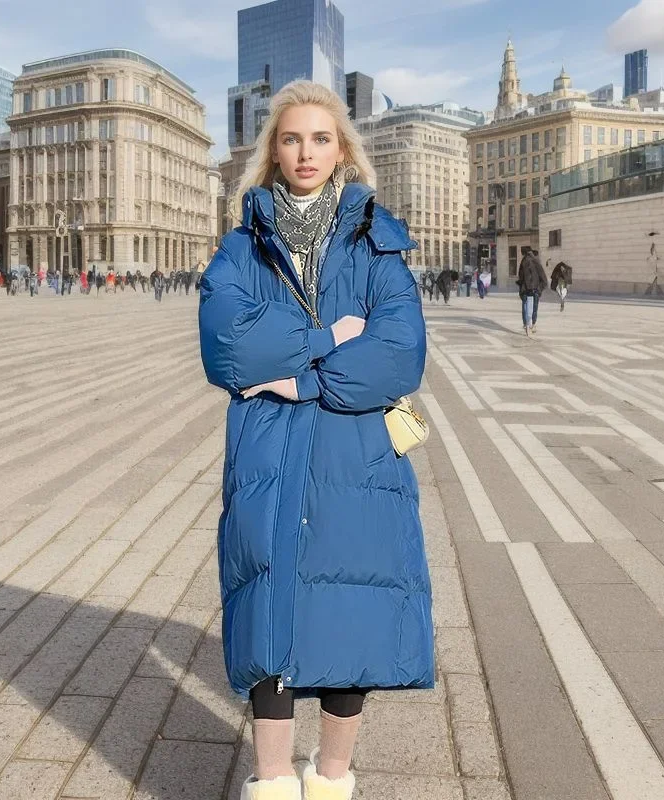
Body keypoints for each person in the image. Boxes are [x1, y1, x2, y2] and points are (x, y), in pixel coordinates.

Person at [199, 80, 433, 800]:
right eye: (292, 138)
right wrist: (331, 336)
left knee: (348, 618)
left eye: (321, 138)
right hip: (269, 456)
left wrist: (295, 378)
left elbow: (398, 354)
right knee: (267, 614)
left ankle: (331, 780)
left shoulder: (377, 240)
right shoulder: (242, 247)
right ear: (273, 149)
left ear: (342, 151)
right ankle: (272, 780)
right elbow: (228, 350)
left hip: (354, 457)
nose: (305, 152)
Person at [516, 247, 547, 336]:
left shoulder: (523, 261)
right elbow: (543, 278)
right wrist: (539, 289)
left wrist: (521, 287)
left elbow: (520, 277)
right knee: (534, 307)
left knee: (525, 307)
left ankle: (526, 324)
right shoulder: (536, 261)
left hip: (525, 289)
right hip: (535, 289)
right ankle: (532, 325)